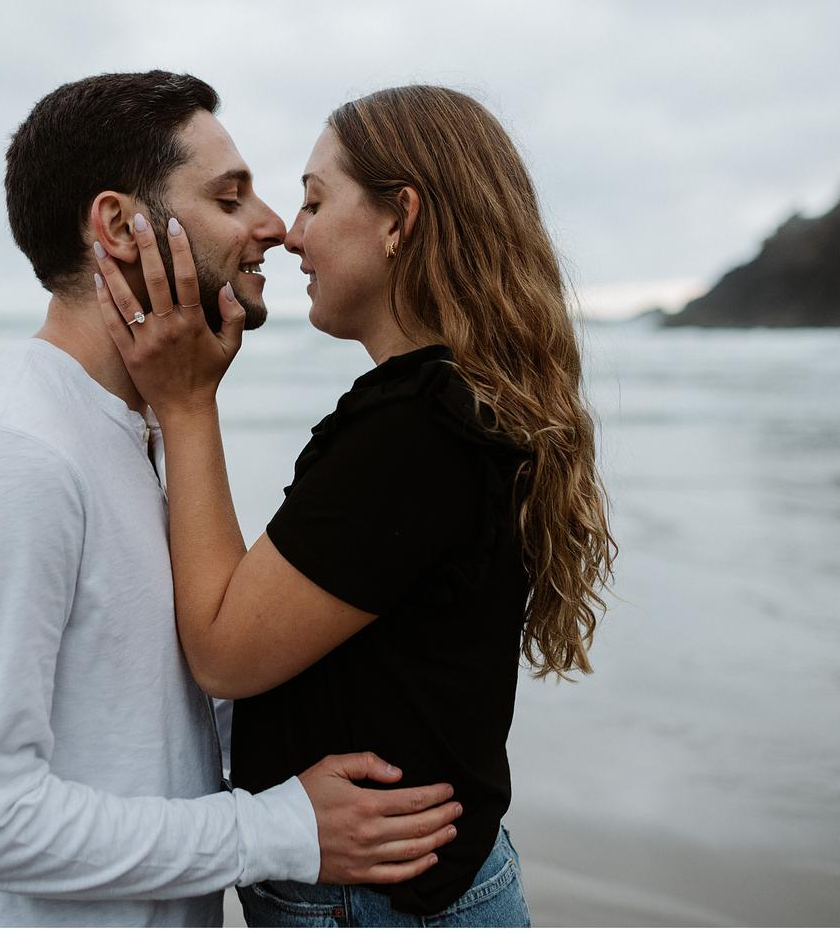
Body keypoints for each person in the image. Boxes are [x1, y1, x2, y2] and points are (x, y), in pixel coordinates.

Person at [0, 72, 463, 928]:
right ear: (120, 227)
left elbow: (161, 713)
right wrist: (277, 829)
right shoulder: (17, 458)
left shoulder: (137, 425)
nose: (273, 225)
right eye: (231, 198)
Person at [94, 84, 617, 926]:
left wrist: (188, 405)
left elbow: (227, 654)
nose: (292, 234)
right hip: (431, 887)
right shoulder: (461, 404)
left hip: (375, 903)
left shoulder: (417, 428)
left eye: (313, 200)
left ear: (398, 218)